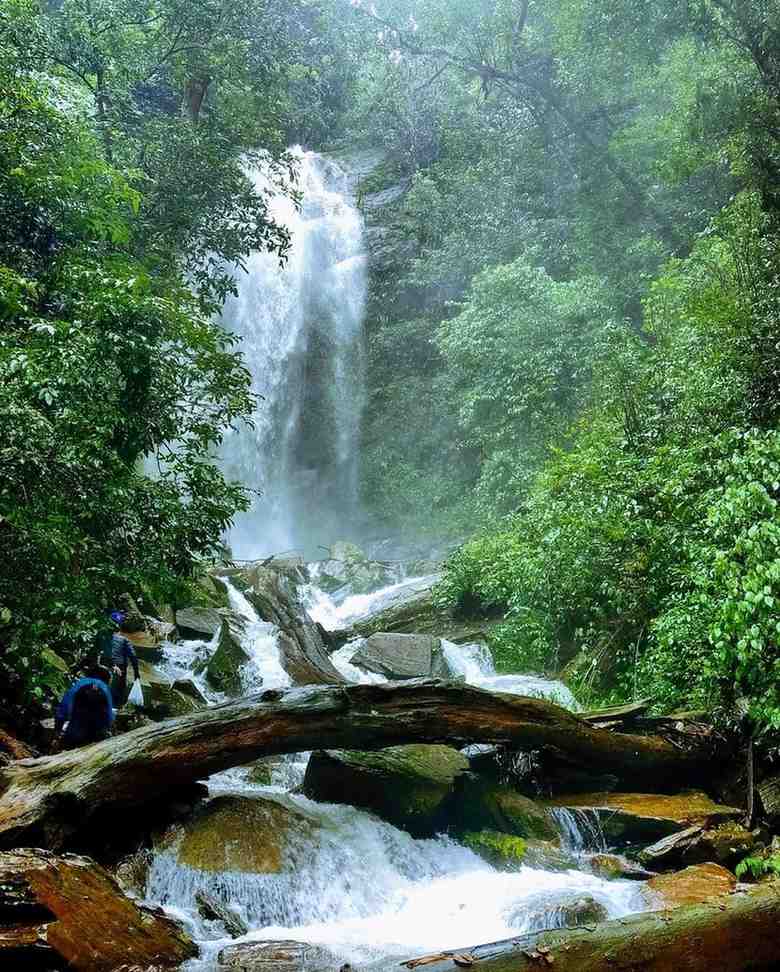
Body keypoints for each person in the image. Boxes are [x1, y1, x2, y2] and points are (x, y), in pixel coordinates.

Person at [55, 666, 114, 749]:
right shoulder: (105, 688)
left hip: (74, 733)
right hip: (96, 737)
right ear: (106, 679)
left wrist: (57, 731)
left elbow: (63, 708)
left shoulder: (80, 683)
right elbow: (110, 718)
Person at [104, 610, 141, 707]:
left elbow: (94, 651)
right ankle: (117, 706)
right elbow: (133, 656)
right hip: (120, 667)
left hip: (105, 664)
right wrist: (136, 672)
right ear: (119, 626)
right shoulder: (124, 640)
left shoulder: (102, 636)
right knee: (119, 691)